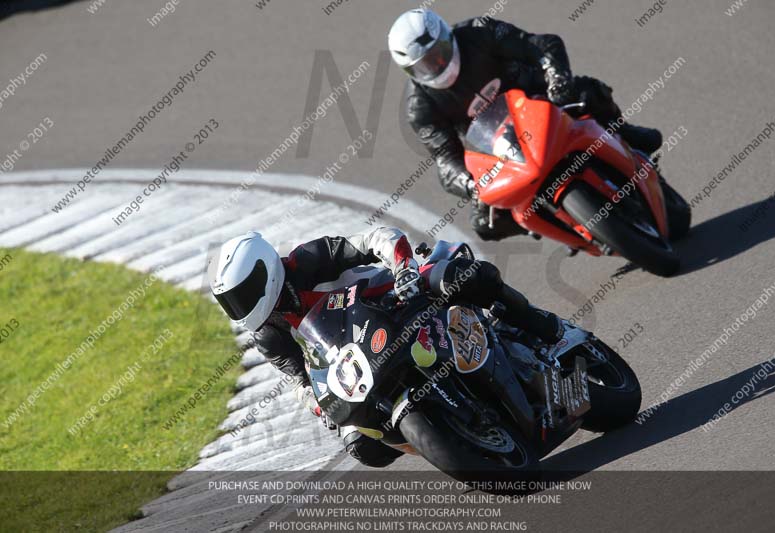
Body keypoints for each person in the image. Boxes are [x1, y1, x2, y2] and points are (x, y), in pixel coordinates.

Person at [207, 227, 564, 467]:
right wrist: (317, 405)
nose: (240, 308)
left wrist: (404, 268)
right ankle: (452, 437)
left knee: (462, 276)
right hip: (362, 362)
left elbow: (374, 239)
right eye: (231, 303)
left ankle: (544, 327)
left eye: (242, 296)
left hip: (399, 300)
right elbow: (300, 381)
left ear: (263, 270)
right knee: (361, 445)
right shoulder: (269, 334)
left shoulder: (308, 260)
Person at [389, 9, 664, 241]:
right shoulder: (420, 106)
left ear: (447, 37)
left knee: (589, 93)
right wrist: (471, 184)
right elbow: (445, 160)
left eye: (439, 53)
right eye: (424, 65)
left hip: (537, 97)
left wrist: (556, 78)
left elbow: (542, 45)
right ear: (410, 71)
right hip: (496, 148)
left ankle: (623, 133)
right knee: (485, 223)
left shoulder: (480, 32)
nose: (437, 65)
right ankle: (561, 224)